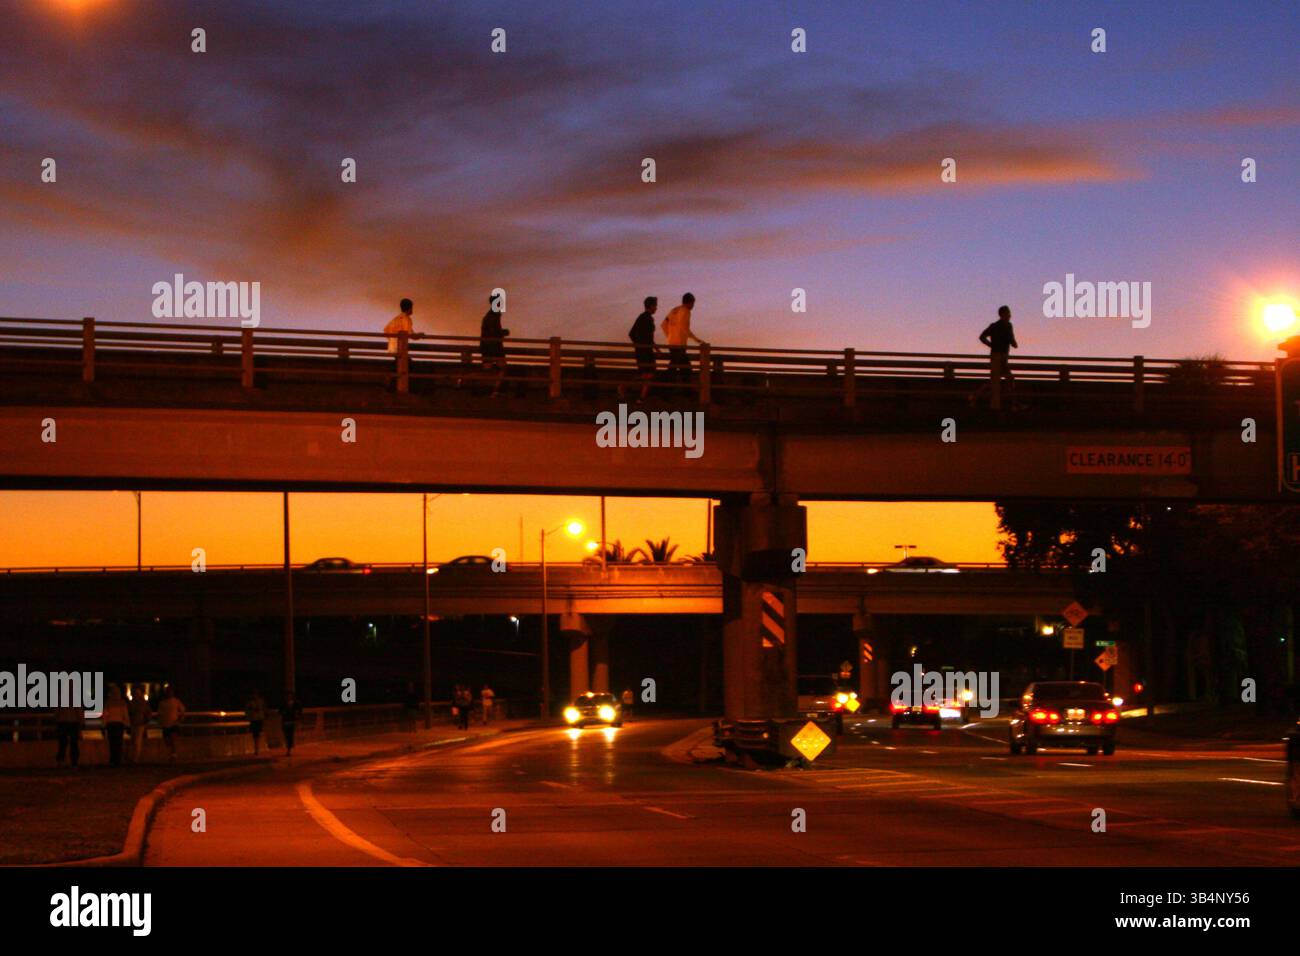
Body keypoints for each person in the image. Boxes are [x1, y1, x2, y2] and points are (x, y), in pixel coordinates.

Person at [972, 305, 1018, 407]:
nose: (1010, 315)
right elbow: (1013, 342)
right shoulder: (1008, 325)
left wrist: (991, 345)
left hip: (996, 356)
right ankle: (1009, 405)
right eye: (1008, 313)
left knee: (996, 381)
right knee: (1005, 380)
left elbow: (982, 337)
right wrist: (1014, 343)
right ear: (1003, 314)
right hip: (1000, 357)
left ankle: (975, 396)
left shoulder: (994, 326)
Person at [660, 293, 707, 387]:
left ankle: (681, 389)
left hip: (672, 343)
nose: (693, 306)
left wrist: (670, 336)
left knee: (680, 367)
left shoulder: (674, 310)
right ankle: (667, 388)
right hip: (680, 344)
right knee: (681, 368)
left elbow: (663, 325)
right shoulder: (686, 311)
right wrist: (696, 339)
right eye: (693, 303)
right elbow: (684, 328)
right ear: (689, 302)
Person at [628, 296, 660, 401]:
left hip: (642, 351)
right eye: (655, 305)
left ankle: (639, 395)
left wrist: (638, 345)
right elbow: (648, 338)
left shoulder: (641, 317)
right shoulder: (647, 318)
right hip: (646, 352)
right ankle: (640, 396)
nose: (656, 308)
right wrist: (653, 348)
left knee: (645, 375)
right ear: (650, 306)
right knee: (648, 374)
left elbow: (631, 334)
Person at [479, 294, 510, 397]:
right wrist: (503, 332)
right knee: (502, 368)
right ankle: (495, 390)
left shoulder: (491, 315)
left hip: (488, 346)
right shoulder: (493, 315)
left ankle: (491, 390)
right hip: (493, 346)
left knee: (489, 369)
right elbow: (493, 332)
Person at [102, 684, 129, 767]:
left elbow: (105, 715)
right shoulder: (122, 702)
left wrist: (104, 724)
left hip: (111, 724)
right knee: (119, 742)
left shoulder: (108, 702)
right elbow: (125, 715)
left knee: (112, 743)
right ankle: (118, 760)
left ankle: (113, 759)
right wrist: (127, 724)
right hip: (119, 724)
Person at [157, 686, 185, 762]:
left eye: (170, 691)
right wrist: (160, 722)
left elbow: (182, 710)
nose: (169, 693)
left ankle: (174, 754)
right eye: (168, 692)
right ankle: (171, 754)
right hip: (165, 724)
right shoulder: (162, 703)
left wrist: (180, 719)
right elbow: (159, 713)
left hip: (174, 723)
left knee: (173, 739)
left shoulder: (176, 701)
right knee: (167, 741)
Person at [54, 702, 84, 769]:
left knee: (62, 743)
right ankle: (74, 762)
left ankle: (61, 761)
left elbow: (57, 711)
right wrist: (81, 722)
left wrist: (56, 720)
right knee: (74, 743)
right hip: (73, 722)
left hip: (62, 722)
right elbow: (79, 711)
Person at [128, 683, 152, 763]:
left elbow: (148, 713)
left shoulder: (142, 703)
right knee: (133, 742)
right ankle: (133, 757)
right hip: (134, 724)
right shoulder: (133, 703)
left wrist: (145, 721)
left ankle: (135, 759)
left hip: (139, 724)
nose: (136, 695)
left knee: (137, 742)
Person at [280, 690, 303, 757]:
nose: (289, 697)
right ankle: (288, 747)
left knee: (290, 735)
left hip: (292, 721)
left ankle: (288, 750)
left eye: (290, 695)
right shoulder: (283, 703)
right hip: (285, 721)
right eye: (288, 695)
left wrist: (297, 716)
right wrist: (283, 712)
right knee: (286, 735)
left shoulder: (296, 703)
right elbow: (280, 711)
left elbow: (300, 711)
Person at [245, 689, 266, 755]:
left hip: (259, 719)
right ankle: (256, 749)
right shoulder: (250, 702)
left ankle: (257, 748)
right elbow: (247, 711)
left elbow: (264, 709)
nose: (254, 695)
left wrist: (263, 716)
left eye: (256, 694)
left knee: (258, 734)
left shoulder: (261, 701)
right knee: (255, 734)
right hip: (253, 719)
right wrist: (249, 716)